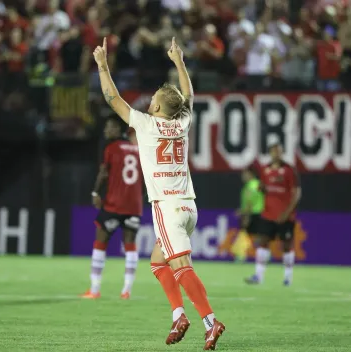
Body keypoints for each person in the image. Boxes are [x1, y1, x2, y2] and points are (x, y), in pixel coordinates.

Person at [92, 37, 225, 350]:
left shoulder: (146, 124)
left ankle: (210, 321)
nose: (148, 101)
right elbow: (188, 96)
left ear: (155, 106)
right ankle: (179, 315)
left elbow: (113, 99)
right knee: (157, 261)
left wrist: (102, 66)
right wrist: (179, 61)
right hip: (189, 208)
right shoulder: (182, 122)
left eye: (152, 98)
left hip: (167, 207)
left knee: (181, 266)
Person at [80, 115, 143, 300]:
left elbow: (103, 173)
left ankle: (94, 289)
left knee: (100, 242)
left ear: (119, 130)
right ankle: (127, 291)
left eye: (111, 127)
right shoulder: (139, 150)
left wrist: (95, 193)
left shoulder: (111, 148)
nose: (107, 130)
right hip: (134, 206)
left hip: (114, 205)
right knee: (130, 245)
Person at [245, 143, 301, 286]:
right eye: (274, 151)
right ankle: (258, 276)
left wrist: (287, 213)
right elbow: (265, 188)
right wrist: (261, 188)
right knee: (263, 242)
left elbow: (296, 193)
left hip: (285, 216)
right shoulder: (265, 170)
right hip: (268, 214)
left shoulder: (289, 170)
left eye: (279, 151)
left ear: (282, 153)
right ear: (270, 153)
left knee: (287, 246)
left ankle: (288, 278)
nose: (277, 153)